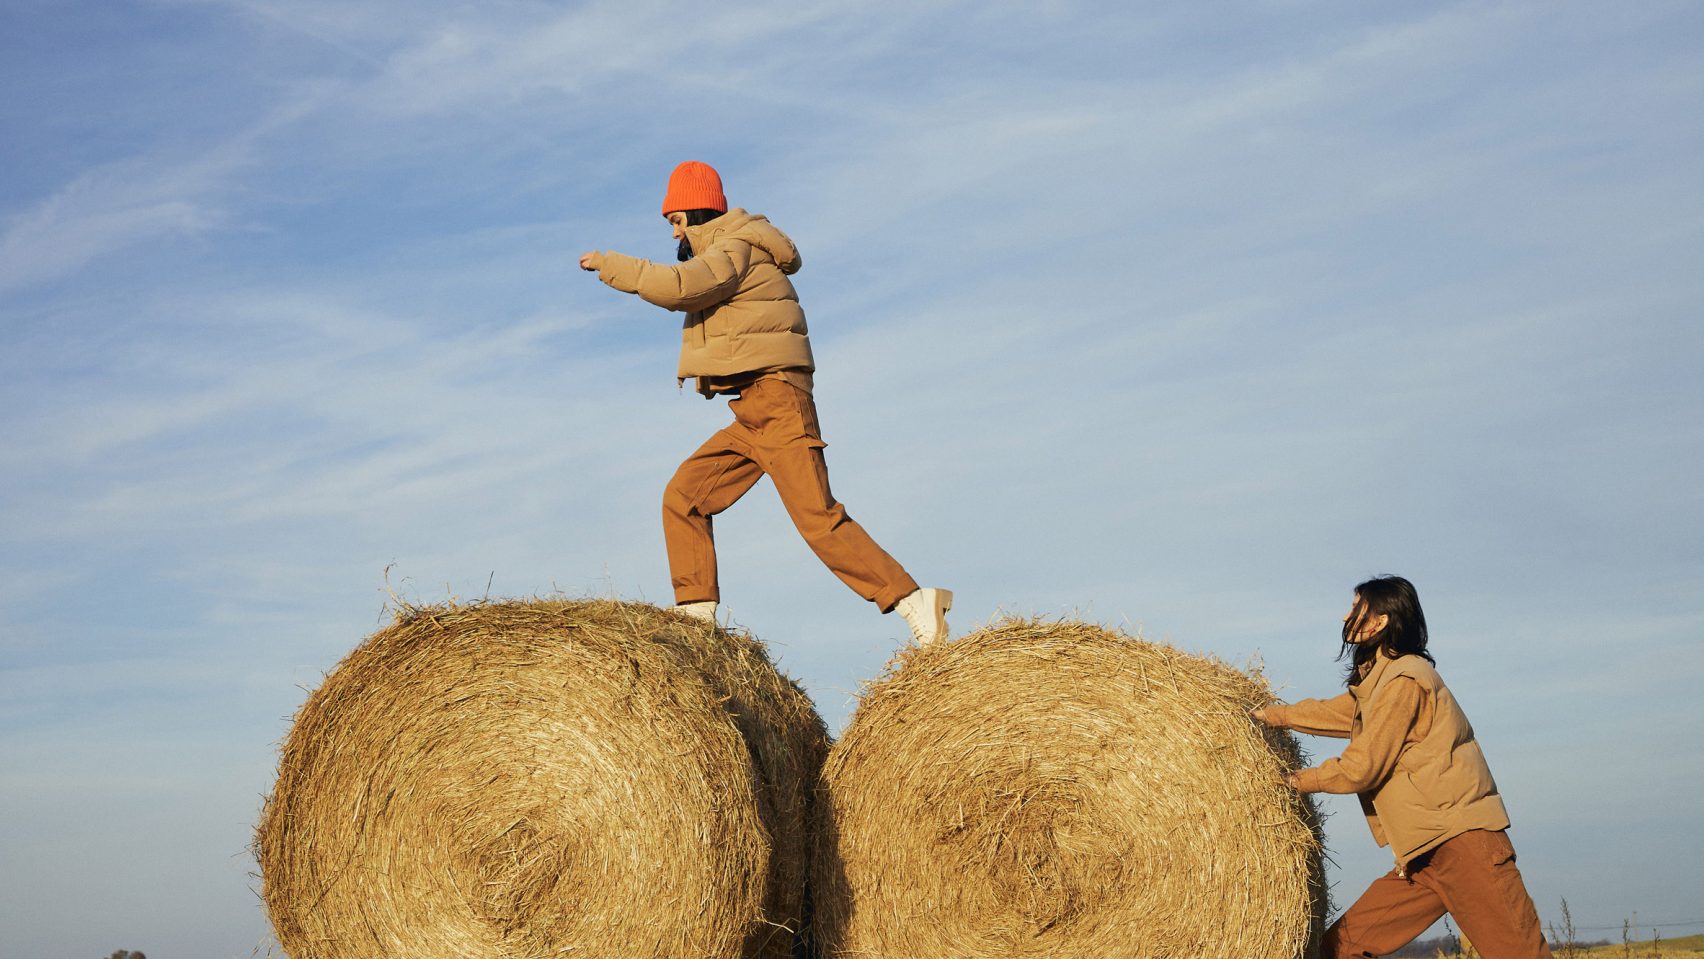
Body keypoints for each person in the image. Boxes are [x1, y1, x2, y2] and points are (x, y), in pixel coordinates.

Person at [578, 160, 952, 644]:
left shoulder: (735, 248)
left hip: (777, 401)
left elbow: (681, 288)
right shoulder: (730, 249)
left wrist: (611, 264)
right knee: (685, 497)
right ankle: (697, 624)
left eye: (674, 221)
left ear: (694, 212)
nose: (673, 234)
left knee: (818, 520)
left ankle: (913, 600)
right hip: (753, 411)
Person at [1253, 575, 1551, 959]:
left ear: (1379, 621)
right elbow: (1337, 712)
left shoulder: (1405, 679)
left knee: (1520, 955)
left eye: (1356, 607)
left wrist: (1292, 782)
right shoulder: (1378, 683)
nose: (1346, 615)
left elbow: (1363, 767)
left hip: (1464, 846)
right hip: (1422, 858)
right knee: (1339, 950)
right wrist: (1270, 716)